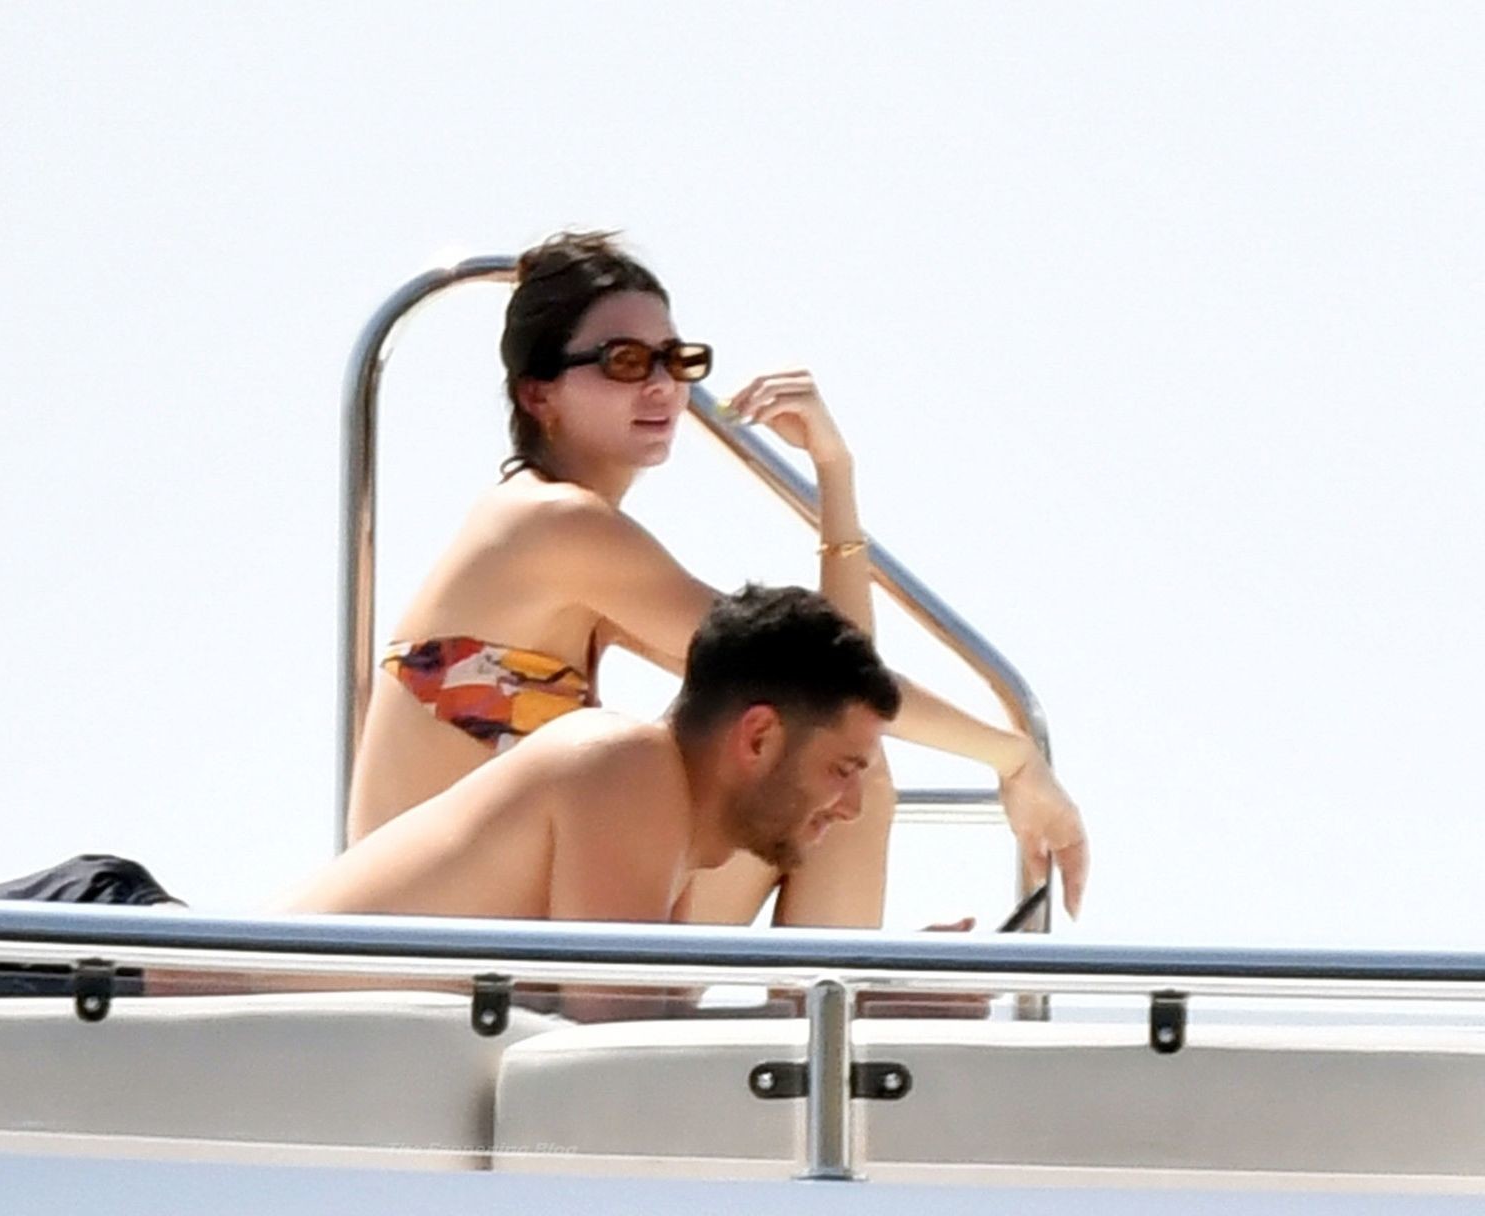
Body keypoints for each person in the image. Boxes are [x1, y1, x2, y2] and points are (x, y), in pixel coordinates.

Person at [347, 230, 1087, 925]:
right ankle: (829, 997)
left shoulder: (575, 553)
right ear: (538, 394)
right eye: (625, 363)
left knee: (826, 771)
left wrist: (835, 475)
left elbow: (833, 695)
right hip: (430, 944)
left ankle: (828, 1000)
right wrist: (1013, 756)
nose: (661, 387)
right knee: (824, 765)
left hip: (504, 932)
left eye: (676, 361)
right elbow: (830, 683)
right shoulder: (552, 526)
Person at [292, 585, 898, 924]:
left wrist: (882, 1009)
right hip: (256, 1028)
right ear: (759, 737)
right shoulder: (626, 764)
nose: (850, 807)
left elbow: (638, 1031)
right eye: (841, 771)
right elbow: (615, 1041)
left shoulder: (675, 829)